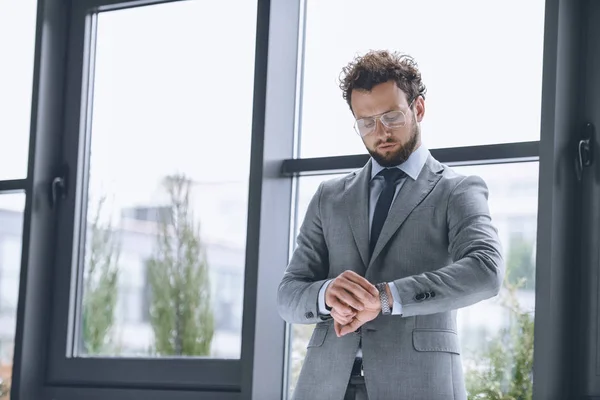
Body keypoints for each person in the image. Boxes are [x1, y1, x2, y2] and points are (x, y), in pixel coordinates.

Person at [277, 50, 505, 400]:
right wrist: (325, 295)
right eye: (366, 123)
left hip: (419, 385)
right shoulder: (329, 196)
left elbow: (486, 271)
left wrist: (385, 298)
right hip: (324, 386)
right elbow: (288, 294)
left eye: (392, 116)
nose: (380, 132)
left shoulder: (457, 190)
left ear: (419, 109)